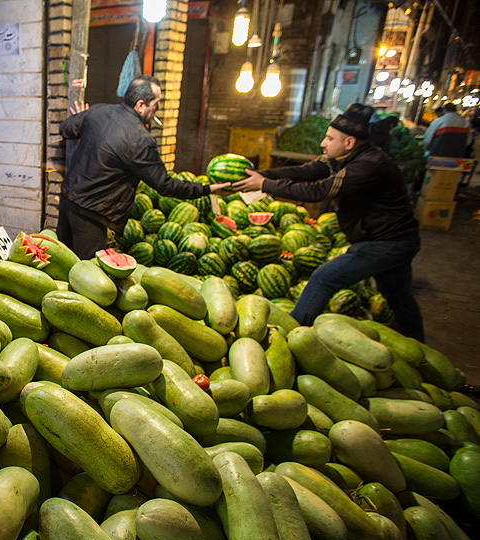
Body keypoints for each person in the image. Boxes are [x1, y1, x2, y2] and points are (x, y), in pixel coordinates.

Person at [233, 103, 424, 341]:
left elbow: (320, 190)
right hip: (390, 241)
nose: (323, 143)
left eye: (329, 138)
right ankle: (419, 346)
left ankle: (292, 337)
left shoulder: (368, 165)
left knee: (324, 278)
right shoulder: (345, 157)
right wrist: (262, 176)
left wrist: (264, 186)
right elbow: (310, 171)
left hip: (386, 243)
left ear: (349, 142)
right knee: (399, 297)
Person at [57, 75, 230, 259]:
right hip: (92, 216)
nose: (157, 110)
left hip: (68, 200)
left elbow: (65, 129)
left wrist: (81, 118)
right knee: (88, 279)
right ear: (140, 105)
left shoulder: (98, 111)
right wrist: (207, 189)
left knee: (62, 262)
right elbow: (166, 186)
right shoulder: (141, 139)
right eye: (156, 104)